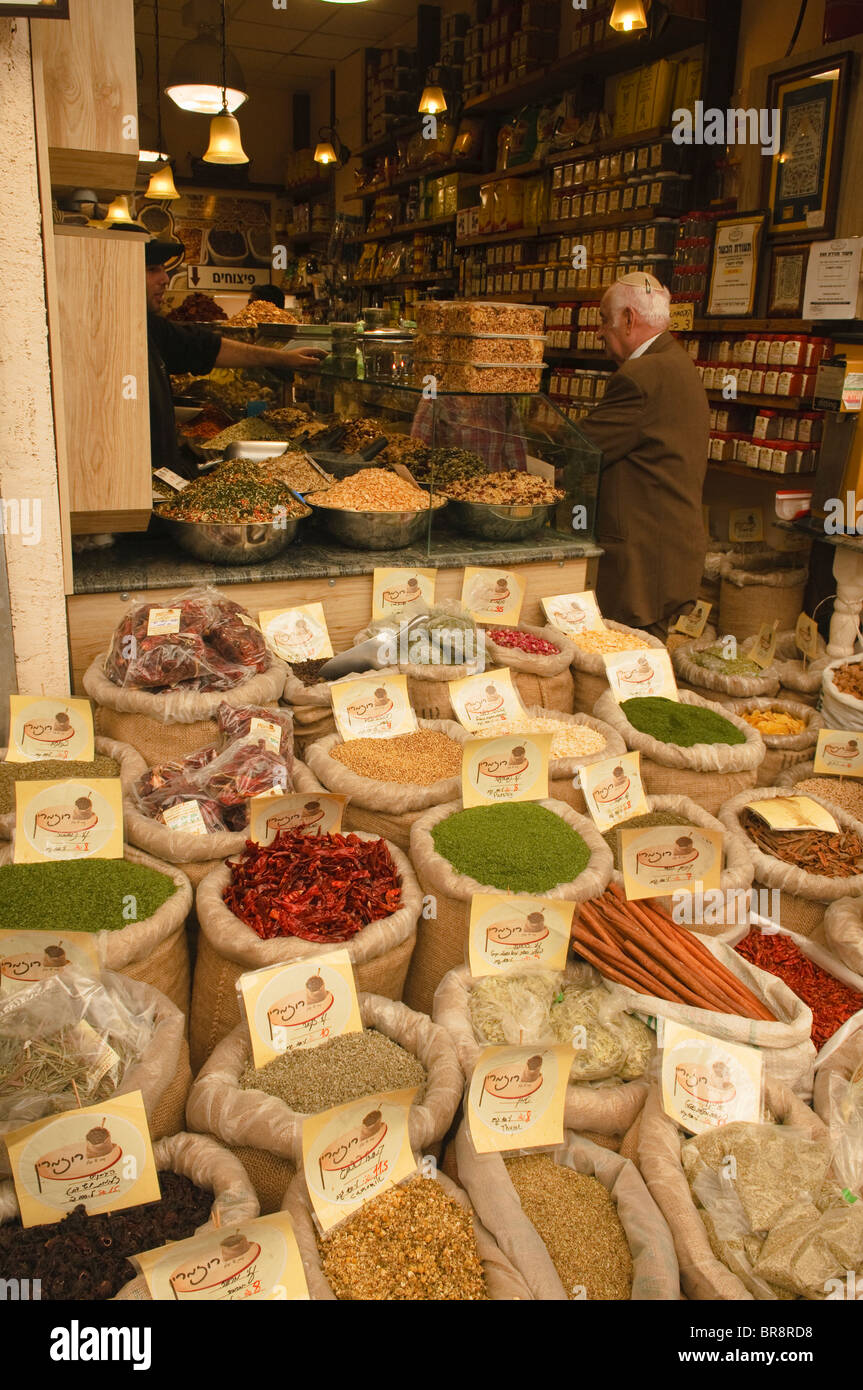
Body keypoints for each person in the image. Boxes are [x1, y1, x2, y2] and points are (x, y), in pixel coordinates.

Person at [576, 273, 709, 636]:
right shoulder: (676, 361)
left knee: (629, 669)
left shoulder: (640, 375)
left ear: (630, 319)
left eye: (604, 319)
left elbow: (584, 448)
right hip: (667, 554)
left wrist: (535, 439)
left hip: (643, 561)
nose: (599, 332)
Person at [145, 239, 324, 472]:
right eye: (152, 269)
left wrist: (285, 358)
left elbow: (208, 347)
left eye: (163, 269)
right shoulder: (111, 335)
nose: (165, 278)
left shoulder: (152, 328)